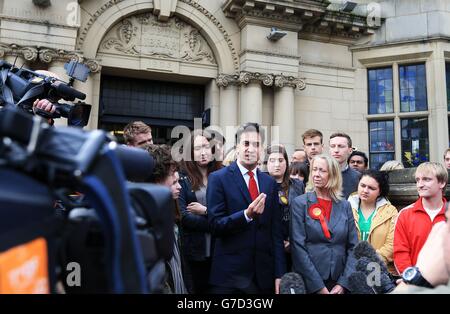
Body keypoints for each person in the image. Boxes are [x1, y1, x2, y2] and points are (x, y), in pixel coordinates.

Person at [207, 122, 286, 294]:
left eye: (256, 144)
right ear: (237, 147)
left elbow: (276, 234)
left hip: (263, 279)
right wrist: (246, 215)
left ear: (262, 149)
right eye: (246, 144)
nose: (251, 149)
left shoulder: (269, 183)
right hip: (229, 279)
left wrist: (280, 274)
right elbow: (215, 225)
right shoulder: (218, 179)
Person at [290, 154, 358, 294]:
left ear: (333, 175)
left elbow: (353, 247)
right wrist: (319, 287)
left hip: (339, 281)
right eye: (314, 169)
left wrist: (343, 284)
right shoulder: (300, 203)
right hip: (310, 281)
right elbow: (298, 247)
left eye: (322, 170)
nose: (316, 174)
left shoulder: (345, 205)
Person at [178, 131, 222, 294]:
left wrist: (204, 211)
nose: (203, 152)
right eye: (197, 148)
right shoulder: (182, 178)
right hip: (194, 251)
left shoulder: (222, 175)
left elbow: (229, 210)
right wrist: (217, 222)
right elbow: (184, 216)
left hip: (220, 249)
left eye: (206, 147)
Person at [393, 162, 448, 275]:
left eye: (426, 179)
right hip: (415, 285)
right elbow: (400, 254)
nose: (420, 185)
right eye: (417, 180)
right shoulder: (405, 215)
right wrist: (412, 279)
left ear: (442, 183)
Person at [146, 144, 187, 294]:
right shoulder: (145, 222)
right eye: (174, 181)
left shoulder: (166, 213)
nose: (180, 187)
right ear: (157, 179)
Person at [348, 170, 398, 275]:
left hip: (380, 271)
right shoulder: (347, 207)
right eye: (362, 185)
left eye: (371, 188)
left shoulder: (390, 211)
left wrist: (370, 262)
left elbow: (392, 244)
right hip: (350, 269)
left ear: (379, 191)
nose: (365, 190)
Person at [265, 145, 304, 271]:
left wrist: (292, 242)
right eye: (272, 160)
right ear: (266, 163)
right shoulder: (260, 183)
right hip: (268, 245)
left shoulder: (297, 185)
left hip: (293, 245)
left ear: (287, 162)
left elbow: (302, 216)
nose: (277, 164)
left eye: (281, 160)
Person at [329, 132, 361, 199]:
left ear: (350, 150)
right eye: (332, 146)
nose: (336, 150)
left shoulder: (358, 177)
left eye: (341, 146)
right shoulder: (319, 175)